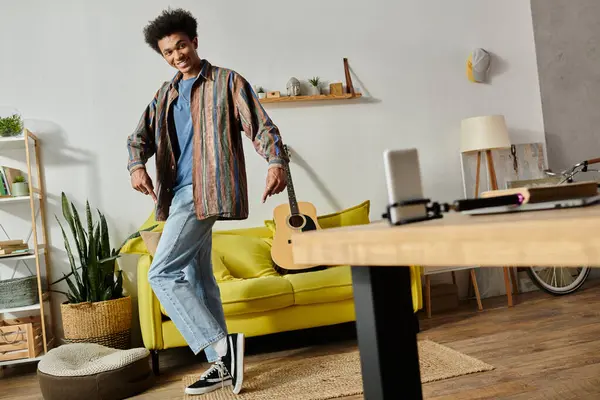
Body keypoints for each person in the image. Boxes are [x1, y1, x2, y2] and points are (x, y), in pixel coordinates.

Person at [126, 8, 288, 396]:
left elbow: (261, 126)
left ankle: (221, 347)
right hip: (175, 192)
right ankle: (223, 364)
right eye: (168, 52)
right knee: (199, 280)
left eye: (181, 45)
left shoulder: (227, 82)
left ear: (194, 42)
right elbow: (137, 139)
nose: (177, 55)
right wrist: (136, 167)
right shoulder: (164, 94)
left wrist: (276, 161)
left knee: (160, 273)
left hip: (206, 191)